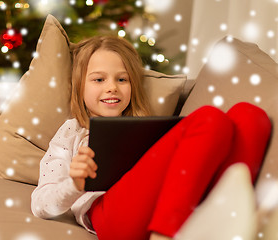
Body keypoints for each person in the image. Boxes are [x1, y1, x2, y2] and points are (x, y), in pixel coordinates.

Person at [31, 35, 271, 240]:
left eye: (122, 79)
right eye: (99, 79)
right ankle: (164, 235)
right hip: (108, 215)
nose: (112, 87)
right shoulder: (73, 131)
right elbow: (40, 205)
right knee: (210, 118)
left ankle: (227, 221)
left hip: (179, 203)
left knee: (251, 116)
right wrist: (75, 184)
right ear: (79, 87)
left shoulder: (147, 127)